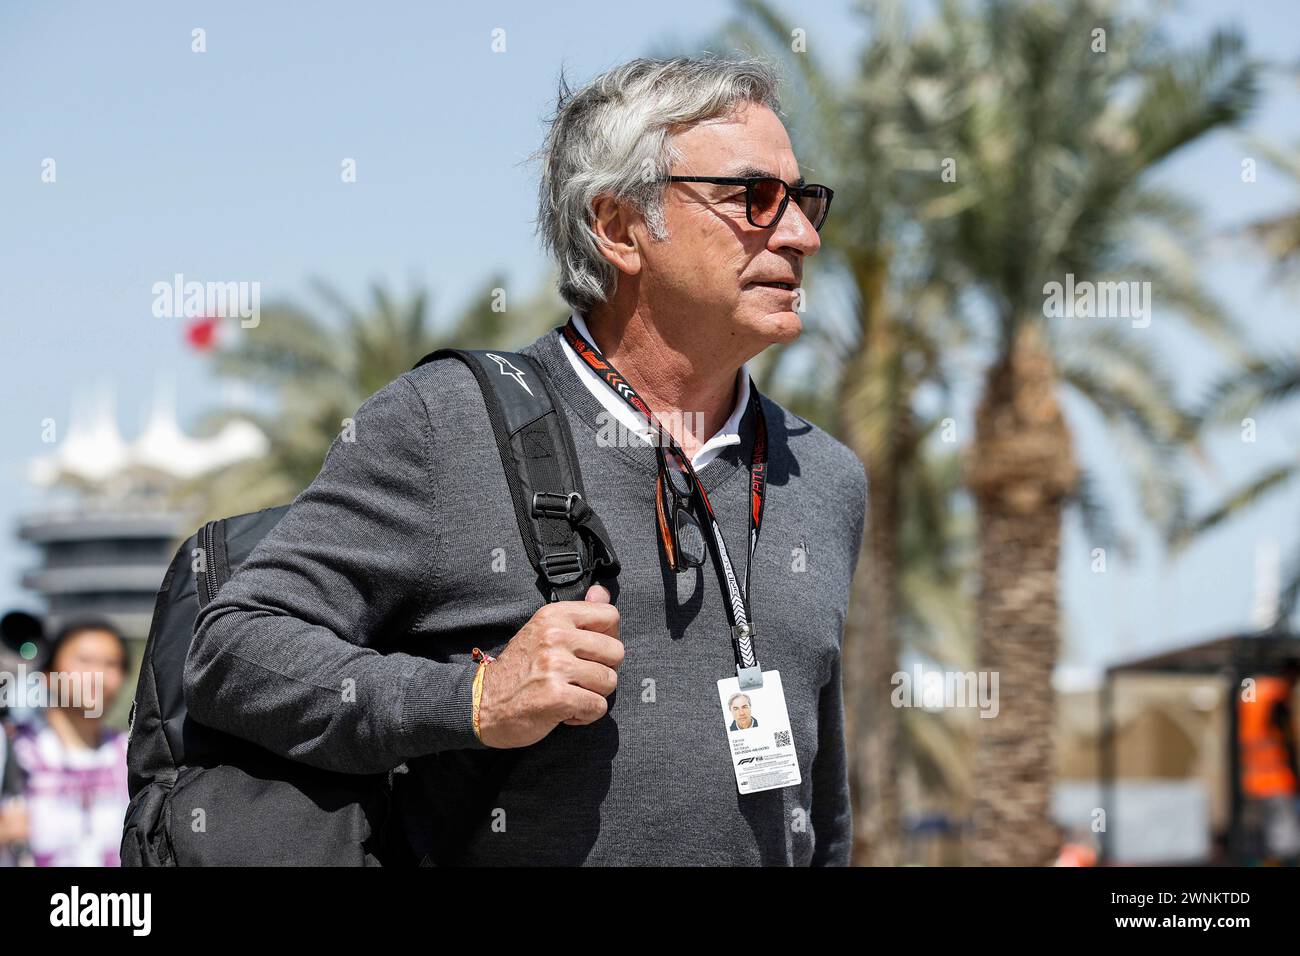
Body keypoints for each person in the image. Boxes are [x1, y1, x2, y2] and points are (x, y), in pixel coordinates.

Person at [185, 55, 866, 866]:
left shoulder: (822, 477)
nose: (801, 235)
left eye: (804, 200)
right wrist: (474, 698)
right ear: (618, 228)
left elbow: (817, 812)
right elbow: (233, 647)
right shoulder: (446, 423)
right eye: (754, 199)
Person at [1, 618, 130, 867]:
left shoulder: (133, 754)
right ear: (48, 674)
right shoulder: (12, 747)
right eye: (84, 661)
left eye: (111, 664)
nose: (98, 676)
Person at [1238, 667, 1300, 864]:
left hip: (1253, 780)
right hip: (1277, 780)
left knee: (1260, 834)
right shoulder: (1276, 695)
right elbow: (1287, 739)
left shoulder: (1252, 691)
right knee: (1283, 837)